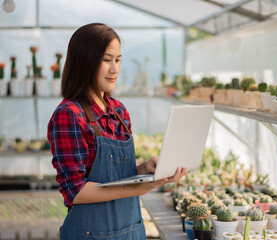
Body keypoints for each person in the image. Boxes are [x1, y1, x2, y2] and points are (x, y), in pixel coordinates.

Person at [47, 23, 188, 240]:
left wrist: (143, 170)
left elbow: (116, 176)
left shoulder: (119, 111)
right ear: (85, 61)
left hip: (132, 232)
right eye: (106, 60)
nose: (114, 69)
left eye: (118, 59)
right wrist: (142, 187)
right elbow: (76, 191)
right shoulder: (69, 114)